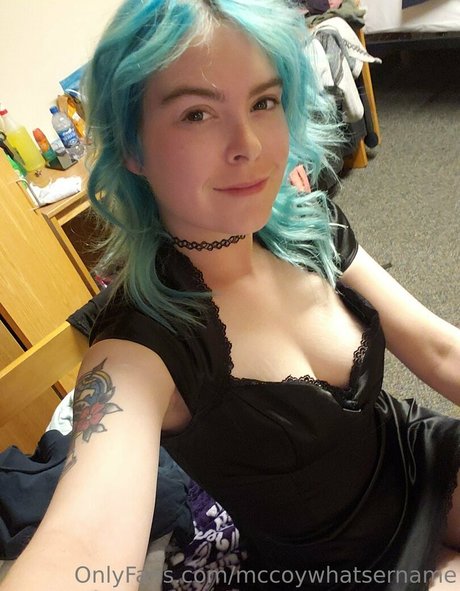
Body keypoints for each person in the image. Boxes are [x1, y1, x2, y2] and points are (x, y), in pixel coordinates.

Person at [1, 0, 459, 589]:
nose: (250, 145)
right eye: (197, 114)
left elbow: (438, 349)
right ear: (133, 147)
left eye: (263, 102)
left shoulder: (309, 227)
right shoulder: (139, 347)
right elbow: (82, 540)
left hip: (419, 456)